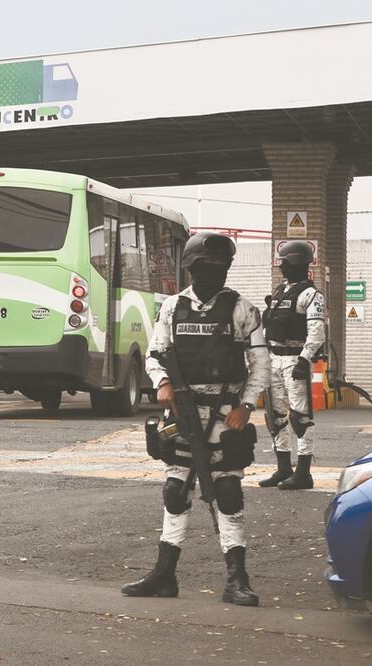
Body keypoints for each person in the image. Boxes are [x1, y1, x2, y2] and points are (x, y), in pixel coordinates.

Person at [121, 232, 270, 607]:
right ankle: (164, 575)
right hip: (183, 413)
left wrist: (247, 405)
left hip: (225, 415)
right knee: (175, 490)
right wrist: (163, 382)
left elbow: (261, 364)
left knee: (227, 492)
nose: (214, 273)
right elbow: (156, 354)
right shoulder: (171, 308)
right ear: (191, 267)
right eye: (207, 266)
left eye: (221, 267)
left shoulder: (242, 309)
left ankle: (237, 579)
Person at [258, 241, 326, 490]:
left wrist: (304, 360)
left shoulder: (310, 295)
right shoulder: (279, 291)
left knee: (300, 417)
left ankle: (303, 473)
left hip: (295, 359)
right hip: (274, 358)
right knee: (274, 416)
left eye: (285, 262)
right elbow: (268, 327)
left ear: (297, 262)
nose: (282, 266)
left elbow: (317, 333)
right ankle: (283, 468)